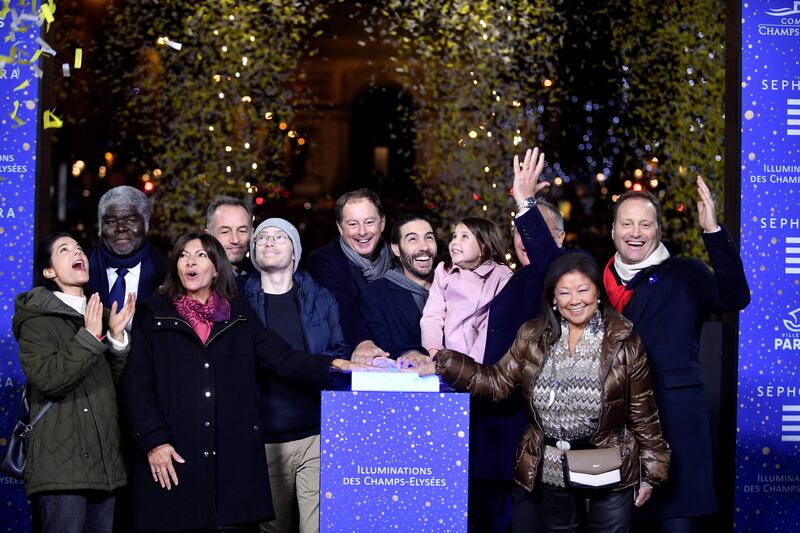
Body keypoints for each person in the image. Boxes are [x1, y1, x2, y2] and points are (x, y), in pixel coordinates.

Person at [123, 232, 368, 532]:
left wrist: (334, 364)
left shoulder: (237, 315)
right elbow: (137, 385)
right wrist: (154, 441)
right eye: (184, 255)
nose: (191, 261)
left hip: (230, 461)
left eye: (201, 255)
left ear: (216, 268)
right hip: (175, 456)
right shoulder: (154, 314)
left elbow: (282, 358)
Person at [417, 252, 671, 532]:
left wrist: (653, 474)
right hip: (552, 472)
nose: (575, 300)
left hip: (609, 472)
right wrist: (445, 361)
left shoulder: (626, 342)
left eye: (583, 289)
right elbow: (497, 383)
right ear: (553, 298)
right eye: (564, 292)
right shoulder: (532, 336)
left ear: (598, 292)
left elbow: (644, 413)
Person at [603, 179, 750, 532]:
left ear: (658, 230)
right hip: (615, 438)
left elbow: (734, 297)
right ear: (613, 231)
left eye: (645, 223)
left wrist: (712, 231)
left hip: (677, 433)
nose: (635, 232)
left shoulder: (686, 274)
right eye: (627, 223)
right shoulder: (594, 283)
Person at [13, 231, 136, 533]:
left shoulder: (100, 316)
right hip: (61, 469)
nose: (76, 253)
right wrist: (90, 337)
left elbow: (111, 386)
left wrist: (117, 339)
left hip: (105, 465)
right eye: (64, 250)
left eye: (79, 248)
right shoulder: (36, 319)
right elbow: (50, 379)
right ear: (49, 271)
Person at [471, 148, 567, 532]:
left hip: (530, 430)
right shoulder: (507, 278)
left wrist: (525, 202)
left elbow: (546, 261)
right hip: (492, 428)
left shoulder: (564, 272)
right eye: (518, 230)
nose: (524, 238)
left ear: (558, 237)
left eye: (535, 230)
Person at [241, 218, 349, 533]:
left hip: (316, 435)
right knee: (272, 528)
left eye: (280, 237)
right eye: (262, 238)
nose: (270, 242)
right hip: (266, 439)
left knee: (318, 528)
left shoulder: (321, 298)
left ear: (294, 252)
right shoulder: (239, 301)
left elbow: (337, 355)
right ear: (253, 251)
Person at [306, 188, 393, 361]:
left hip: (398, 357)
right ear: (340, 227)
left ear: (382, 223)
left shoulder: (397, 259)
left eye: (369, 222)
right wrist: (363, 341)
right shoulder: (324, 261)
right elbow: (340, 303)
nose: (362, 231)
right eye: (353, 224)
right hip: (351, 358)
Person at [419, 217, 513, 363]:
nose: (454, 242)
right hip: (447, 360)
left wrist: (471, 368)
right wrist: (434, 353)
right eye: (454, 236)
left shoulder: (501, 277)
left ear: (483, 247)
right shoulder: (444, 272)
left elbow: (492, 328)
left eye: (464, 237)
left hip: (482, 364)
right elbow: (433, 315)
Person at [359, 213, 437, 359]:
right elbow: (383, 348)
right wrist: (409, 353)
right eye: (413, 239)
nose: (424, 246)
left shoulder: (452, 285)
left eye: (429, 237)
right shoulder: (376, 295)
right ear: (396, 249)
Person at [87, 185, 167, 310]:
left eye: (130, 220)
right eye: (111, 221)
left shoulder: (168, 274)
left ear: (146, 226)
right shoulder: (80, 270)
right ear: (100, 228)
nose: (121, 228)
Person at [205, 195, 255, 281]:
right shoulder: (195, 281)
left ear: (252, 234)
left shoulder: (265, 278)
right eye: (225, 232)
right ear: (209, 236)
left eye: (242, 231)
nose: (235, 240)